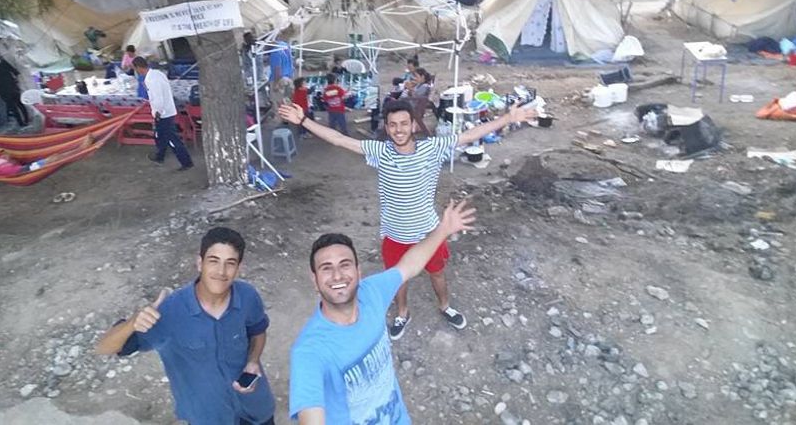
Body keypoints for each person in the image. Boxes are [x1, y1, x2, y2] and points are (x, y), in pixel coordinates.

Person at [278, 98, 537, 339]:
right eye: (392, 125)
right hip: (395, 235)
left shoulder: (432, 148)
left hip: (429, 233)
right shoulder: (380, 151)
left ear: (413, 125)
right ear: (387, 128)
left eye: (404, 123)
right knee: (397, 280)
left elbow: (469, 136)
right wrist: (304, 120)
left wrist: (508, 118)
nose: (398, 130)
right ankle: (403, 313)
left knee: (437, 274)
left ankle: (445, 306)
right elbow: (338, 139)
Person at [289, 200, 477, 424]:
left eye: (345, 264)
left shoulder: (371, 292)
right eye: (326, 268)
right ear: (314, 280)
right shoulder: (309, 351)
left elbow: (409, 265)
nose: (337, 275)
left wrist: (443, 229)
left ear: (358, 272)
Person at [96, 227, 276, 425]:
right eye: (213, 261)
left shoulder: (248, 296)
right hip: (209, 419)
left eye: (230, 263)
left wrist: (253, 361)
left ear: (238, 268)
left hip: (256, 410)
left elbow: (258, 331)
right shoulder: (168, 312)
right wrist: (132, 323)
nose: (221, 271)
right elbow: (103, 347)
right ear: (199, 263)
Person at [133, 56, 193, 171]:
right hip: (167, 109)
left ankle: (186, 162)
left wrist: (157, 113)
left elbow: (158, 98)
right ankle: (160, 156)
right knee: (160, 135)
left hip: (163, 113)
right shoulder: (158, 74)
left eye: (135, 69)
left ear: (138, 68)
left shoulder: (151, 80)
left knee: (172, 139)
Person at [0, 137, 92, 177]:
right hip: (21, 173)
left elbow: (13, 161)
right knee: (54, 159)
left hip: (24, 168)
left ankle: (80, 150)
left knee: (54, 156)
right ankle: (81, 150)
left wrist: (6, 155)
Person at [0, 52, 29, 127]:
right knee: (20, 104)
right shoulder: (3, 62)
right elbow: (15, 72)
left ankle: (21, 123)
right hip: (12, 86)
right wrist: (17, 82)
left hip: (2, 90)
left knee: (13, 107)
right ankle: (27, 120)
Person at [402, 68, 434, 135]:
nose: (415, 78)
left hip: (414, 107)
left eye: (416, 76)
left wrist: (410, 89)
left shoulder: (424, 86)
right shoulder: (420, 85)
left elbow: (415, 96)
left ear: (422, 77)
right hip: (414, 104)